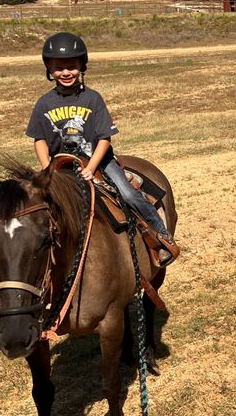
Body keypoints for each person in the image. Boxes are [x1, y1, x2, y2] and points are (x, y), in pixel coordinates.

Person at [26, 32, 179, 258]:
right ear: (49, 68)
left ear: (82, 66)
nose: (65, 72)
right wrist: (47, 169)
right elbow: (39, 139)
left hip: (98, 160)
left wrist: (91, 168)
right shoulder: (44, 103)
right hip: (61, 165)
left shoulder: (93, 99)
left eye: (71, 66)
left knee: (127, 193)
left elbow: (105, 139)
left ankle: (161, 233)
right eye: (58, 67)